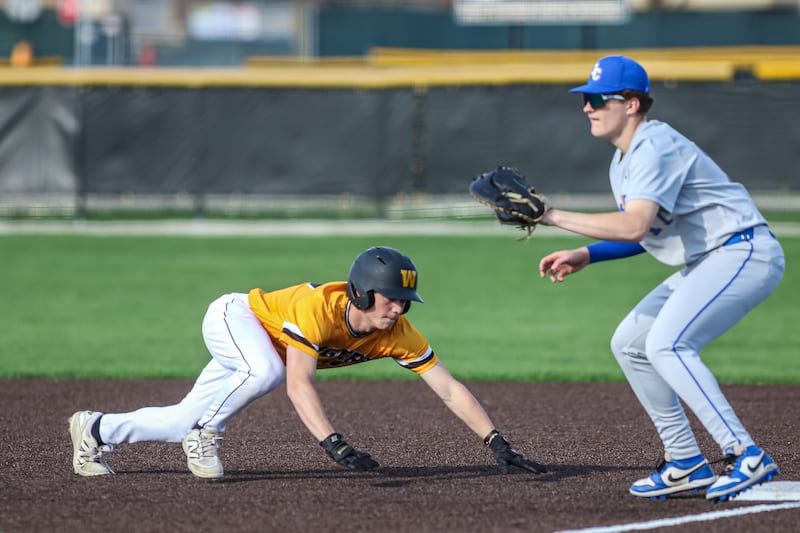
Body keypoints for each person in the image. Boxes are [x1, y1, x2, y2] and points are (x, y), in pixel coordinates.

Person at [70, 246, 546, 479]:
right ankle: (206, 434)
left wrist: (496, 441)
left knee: (181, 419)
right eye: (392, 298)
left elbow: (446, 387)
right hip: (236, 318)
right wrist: (332, 443)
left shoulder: (396, 335)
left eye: (405, 301)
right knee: (269, 372)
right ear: (361, 292)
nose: (399, 309)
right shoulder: (318, 308)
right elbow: (299, 383)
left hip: (259, 354)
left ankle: (93, 431)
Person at [537, 56, 783, 503]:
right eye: (584, 100)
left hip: (744, 251)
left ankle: (746, 453)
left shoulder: (654, 146)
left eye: (597, 99)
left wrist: (550, 216)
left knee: (667, 344)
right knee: (631, 343)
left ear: (631, 104)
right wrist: (587, 253)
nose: (587, 108)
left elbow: (633, 224)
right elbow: (646, 231)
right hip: (713, 258)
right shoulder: (624, 161)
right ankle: (686, 461)